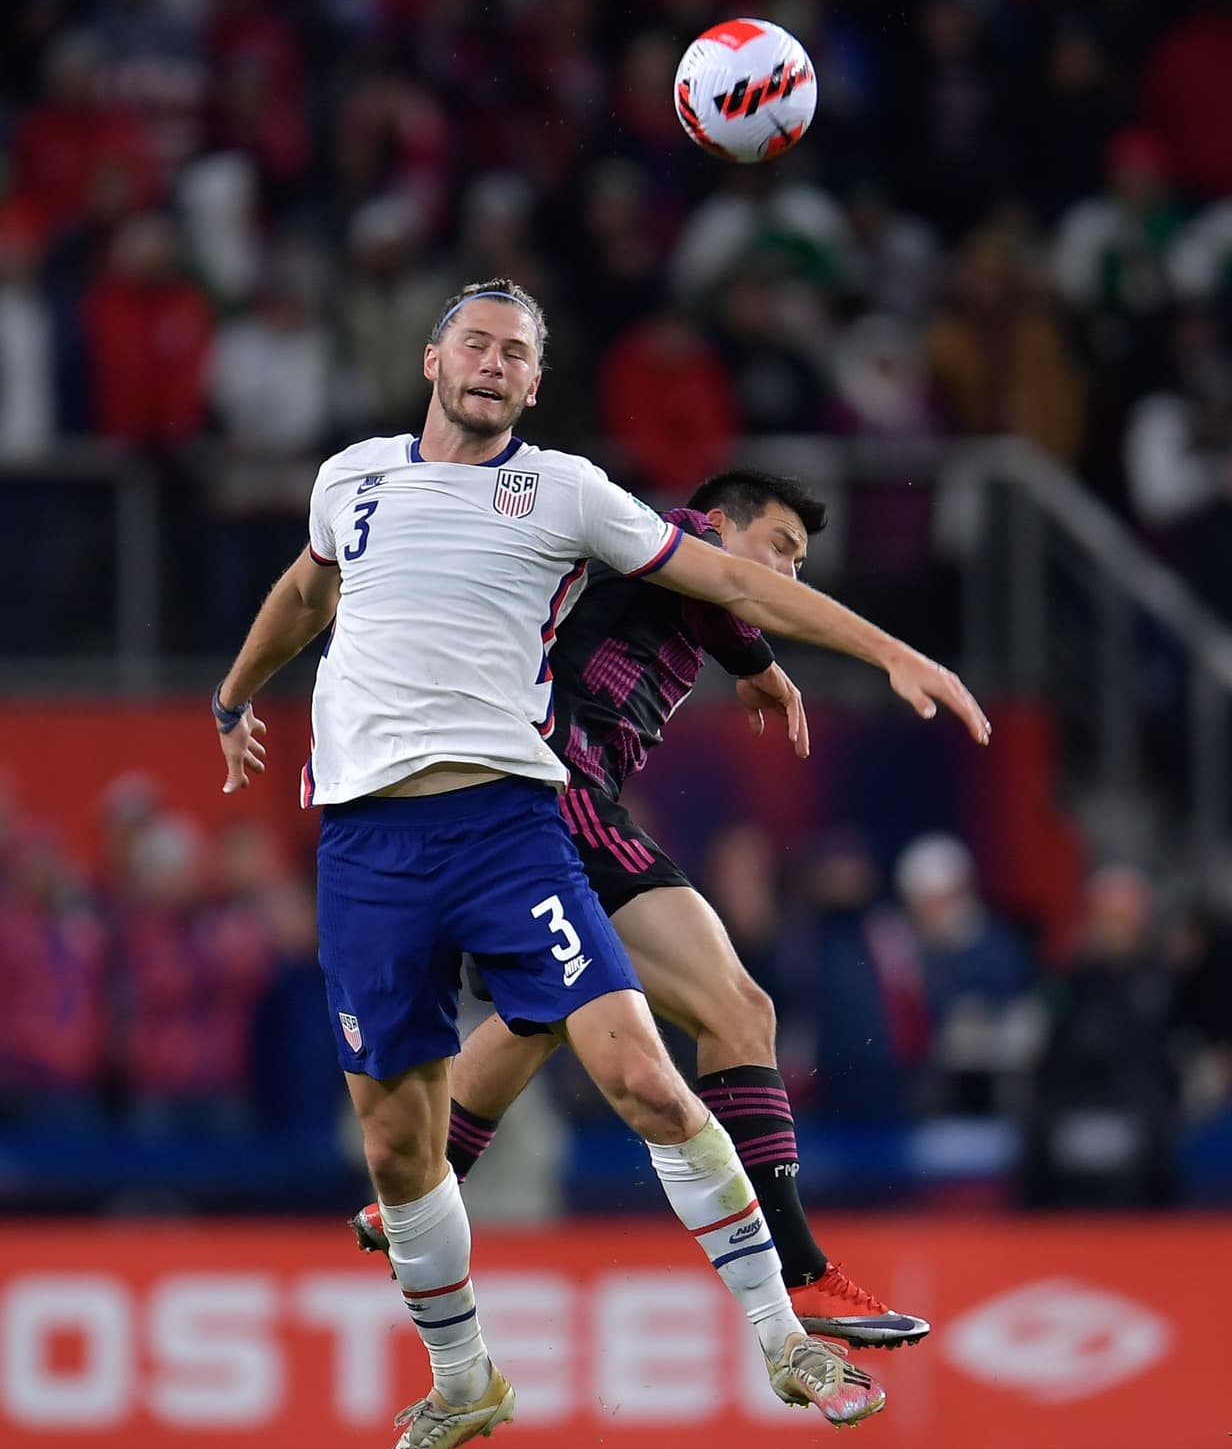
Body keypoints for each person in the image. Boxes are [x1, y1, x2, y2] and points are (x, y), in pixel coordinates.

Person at [213, 277, 990, 1449]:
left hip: (512, 815)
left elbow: (731, 584)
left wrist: (883, 649)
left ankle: (784, 1320)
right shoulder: (349, 477)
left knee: (643, 1059)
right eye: (475, 341)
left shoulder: (566, 492)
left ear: (535, 384)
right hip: (365, 841)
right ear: (430, 357)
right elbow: (312, 589)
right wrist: (235, 690)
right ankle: (461, 1372)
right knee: (406, 1127)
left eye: (518, 353)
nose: (493, 363)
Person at [351, 467, 929, 1349]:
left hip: (522, 803)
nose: (789, 575)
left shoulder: (681, 579)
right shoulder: (674, 534)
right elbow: (722, 584)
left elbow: (722, 604)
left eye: (802, 563)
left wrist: (752, 663)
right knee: (739, 1008)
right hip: (561, 794)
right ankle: (803, 1274)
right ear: (723, 523)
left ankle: (414, 1204)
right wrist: (786, 659)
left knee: (540, 1013)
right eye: (780, 548)